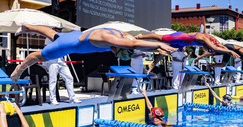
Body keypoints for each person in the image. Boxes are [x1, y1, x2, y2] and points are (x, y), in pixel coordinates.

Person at [11, 24, 178, 82]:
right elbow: (134, 44)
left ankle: (28, 27)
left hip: (75, 37)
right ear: (117, 47)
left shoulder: (122, 36)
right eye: (116, 52)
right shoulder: (108, 38)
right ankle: (18, 70)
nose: (113, 53)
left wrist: (156, 48)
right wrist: (157, 45)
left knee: (52, 34)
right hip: (69, 45)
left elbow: (134, 45)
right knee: (37, 56)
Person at [136, 32, 240, 74]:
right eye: (207, 49)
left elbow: (217, 47)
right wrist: (230, 50)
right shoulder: (203, 37)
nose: (206, 50)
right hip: (180, 37)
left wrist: (228, 52)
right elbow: (213, 47)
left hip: (182, 44)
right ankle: (141, 37)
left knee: (166, 50)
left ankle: (153, 64)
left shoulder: (215, 43)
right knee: (160, 38)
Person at [42, 27, 81, 105]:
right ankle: (53, 99)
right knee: (53, 80)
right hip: (52, 60)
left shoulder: (61, 37)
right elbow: (45, 47)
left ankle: (72, 98)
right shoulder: (49, 37)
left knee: (69, 78)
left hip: (61, 60)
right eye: (58, 29)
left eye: (60, 29)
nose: (60, 30)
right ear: (54, 29)